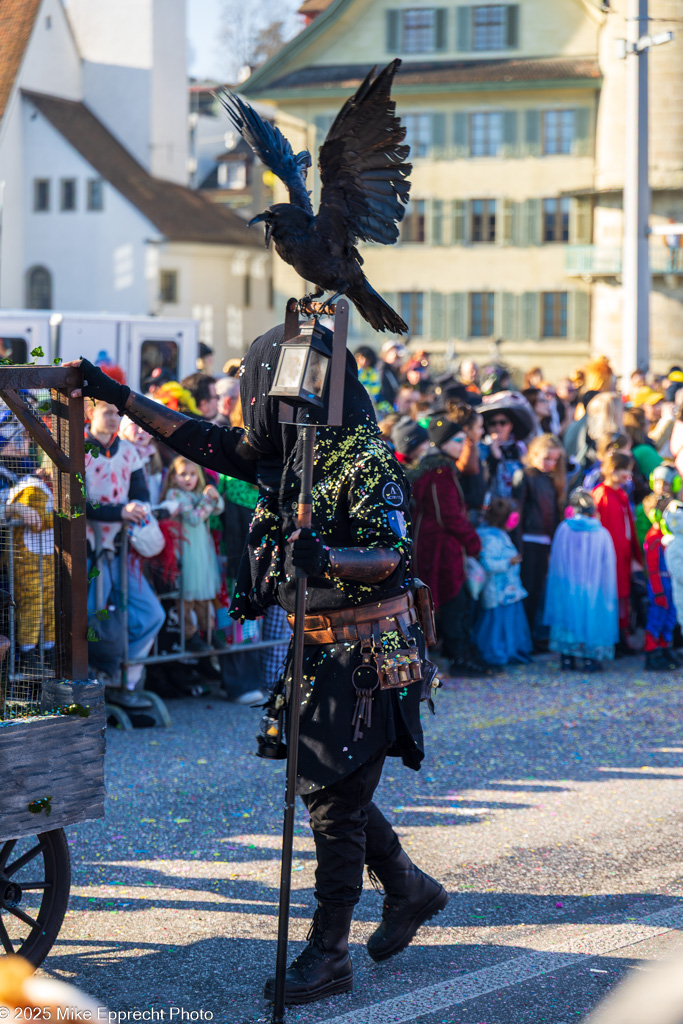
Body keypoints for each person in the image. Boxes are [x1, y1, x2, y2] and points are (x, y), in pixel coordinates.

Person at [69, 334, 447, 1006]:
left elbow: (388, 553)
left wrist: (326, 558)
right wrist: (115, 393)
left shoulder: (365, 459)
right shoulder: (286, 454)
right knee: (328, 791)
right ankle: (407, 886)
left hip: (365, 649)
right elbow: (203, 442)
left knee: (334, 806)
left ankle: (329, 953)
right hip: (312, 646)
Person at [84, 394, 165, 709]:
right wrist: (120, 511)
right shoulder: (78, 450)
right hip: (89, 552)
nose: (115, 418)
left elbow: (141, 495)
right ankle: (90, 684)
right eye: (108, 412)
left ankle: (120, 679)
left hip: (120, 551)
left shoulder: (130, 452)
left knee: (151, 615)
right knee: (90, 621)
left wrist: (137, 509)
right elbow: (78, 503)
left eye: (119, 413)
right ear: (91, 412)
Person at [409, 415, 490, 677]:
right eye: (457, 440)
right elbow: (448, 515)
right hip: (440, 548)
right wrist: (473, 541)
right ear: (442, 443)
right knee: (453, 600)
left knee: (452, 600)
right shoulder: (439, 471)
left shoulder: (439, 469)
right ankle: (458, 657)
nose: (461, 445)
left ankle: (458, 653)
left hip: (438, 545)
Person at [543, 488, 618, 672]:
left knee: (568, 614)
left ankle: (567, 658)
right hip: (593, 586)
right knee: (591, 614)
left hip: (568, 584)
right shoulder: (601, 533)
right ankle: (590, 658)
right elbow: (607, 567)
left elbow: (557, 563)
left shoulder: (564, 529)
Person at [160, 456, 225, 654]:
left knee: (204, 595)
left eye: (192, 474)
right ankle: (190, 635)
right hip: (185, 554)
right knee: (186, 597)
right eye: (182, 474)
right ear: (172, 477)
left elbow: (219, 508)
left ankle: (210, 632)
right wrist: (209, 499)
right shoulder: (174, 495)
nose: (188, 479)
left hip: (201, 554)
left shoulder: (197, 493)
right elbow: (195, 518)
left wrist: (214, 495)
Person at [512, 434, 566, 645]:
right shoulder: (525, 475)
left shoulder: (551, 479)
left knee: (537, 592)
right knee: (527, 589)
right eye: (546, 459)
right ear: (533, 455)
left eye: (554, 460)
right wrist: (518, 546)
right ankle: (524, 639)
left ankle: (532, 637)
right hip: (528, 540)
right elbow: (518, 512)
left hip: (544, 541)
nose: (550, 464)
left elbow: (554, 513)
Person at [471, 498, 531, 667]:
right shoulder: (492, 538)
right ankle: (496, 654)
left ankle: (507, 652)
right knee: (496, 626)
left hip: (507, 590)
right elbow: (488, 564)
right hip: (497, 591)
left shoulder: (495, 535)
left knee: (506, 624)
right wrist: (508, 562)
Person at [592, 452, 642, 647]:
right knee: (609, 594)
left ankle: (621, 635)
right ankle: (610, 637)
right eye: (625, 470)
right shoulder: (602, 494)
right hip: (608, 557)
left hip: (623, 555)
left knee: (622, 596)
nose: (628, 475)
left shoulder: (620, 494)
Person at [641, 494, 679, 671]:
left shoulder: (667, 535)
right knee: (657, 617)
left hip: (671, 582)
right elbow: (653, 568)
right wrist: (658, 591)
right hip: (660, 584)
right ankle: (652, 652)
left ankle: (665, 647)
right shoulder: (654, 537)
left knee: (670, 617)